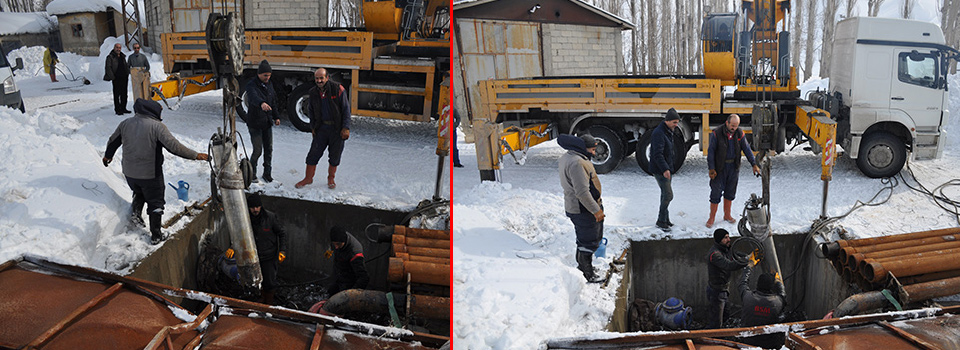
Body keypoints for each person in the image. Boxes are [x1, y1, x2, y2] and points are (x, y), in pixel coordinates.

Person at [103, 98, 209, 244]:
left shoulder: (125, 124)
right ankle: (156, 235)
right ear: (153, 111)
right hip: (150, 175)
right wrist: (195, 155)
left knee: (139, 191)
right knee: (156, 203)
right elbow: (174, 147)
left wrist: (107, 157)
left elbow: (113, 141)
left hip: (130, 173)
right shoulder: (157, 127)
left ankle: (136, 215)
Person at [558, 133, 604, 283]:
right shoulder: (577, 163)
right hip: (583, 209)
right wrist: (596, 210)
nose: (594, 153)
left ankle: (583, 268)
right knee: (588, 241)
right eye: (592, 149)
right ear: (583, 148)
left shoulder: (568, 157)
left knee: (583, 239)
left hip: (578, 207)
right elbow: (582, 192)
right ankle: (587, 274)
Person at [225, 193, 287, 304]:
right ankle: (262, 298)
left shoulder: (270, 218)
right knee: (258, 279)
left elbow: (281, 233)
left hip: (269, 256)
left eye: (257, 207)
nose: (255, 209)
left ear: (261, 206)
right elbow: (239, 235)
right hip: (254, 257)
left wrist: (282, 250)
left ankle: (269, 302)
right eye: (252, 207)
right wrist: (233, 247)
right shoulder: (246, 220)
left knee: (270, 281)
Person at [295, 68, 351, 190]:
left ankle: (331, 178)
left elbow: (346, 110)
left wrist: (345, 127)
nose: (319, 81)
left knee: (335, 156)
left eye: (321, 78)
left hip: (337, 129)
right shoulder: (313, 92)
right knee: (313, 154)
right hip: (321, 128)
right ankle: (308, 178)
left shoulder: (338, 89)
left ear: (327, 77)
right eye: (317, 78)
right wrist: (313, 127)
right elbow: (311, 110)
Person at [706, 114, 760, 228]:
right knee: (716, 192)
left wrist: (754, 164)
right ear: (727, 123)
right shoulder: (717, 133)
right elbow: (711, 151)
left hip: (733, 167)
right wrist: (711, 168)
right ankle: (712, 217)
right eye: (732, 125)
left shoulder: (739, 133)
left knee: (730, 192)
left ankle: (727, 215)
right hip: (719, 168)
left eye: (736, 126)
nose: (734, 128)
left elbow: (746, 149)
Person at [244, 60, 281, 183]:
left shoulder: (269, 84)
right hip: (255, 123)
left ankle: (267, 173)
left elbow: (274, 102)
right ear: (259, 74)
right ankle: (252, 172)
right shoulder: (251, 85)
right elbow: (253, 97)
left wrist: (276, 117)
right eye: (265, 75)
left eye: (269, 75)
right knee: (258, 150)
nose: (267, 77)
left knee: (269, 149)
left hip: (267, 122)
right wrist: (261, 103)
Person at [738, 259, 786, 348]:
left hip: (747, 341)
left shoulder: (747, 297)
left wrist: (749, 267)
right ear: (772, 287)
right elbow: (783, 295)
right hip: (769, 344)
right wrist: (778, 281)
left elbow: (742, 283)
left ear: (758, 284)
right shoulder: (777, 302)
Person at [706, 228, 748, 328]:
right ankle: (713, 337)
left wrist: (748, 256)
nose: (729, 239)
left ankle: (720, 331)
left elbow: (736, 254)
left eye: (728, 236)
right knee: (716, 322)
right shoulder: (715, 254)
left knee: (726, 314)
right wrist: (746, 262)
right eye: (725, 238)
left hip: (723, 290)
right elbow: (729, 265)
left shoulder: (725, 249)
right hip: (717, 292)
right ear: (719, 240)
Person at [650, 108, 680, 231]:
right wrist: (665, 169)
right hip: (660, 170)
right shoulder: (659, 133)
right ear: (667, 121)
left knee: (664, 195)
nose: (676, 125)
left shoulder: (667, 131)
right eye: (674, 122)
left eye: (677, 122)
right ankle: (661, 221)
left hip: (665, 168)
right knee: (668, 195)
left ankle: (665, 220)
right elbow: (657, 154)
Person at [328, 226, 369, 295]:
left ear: (344, 241)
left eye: (338, 244)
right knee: (331, 291)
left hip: (351, 279)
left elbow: (364, 278)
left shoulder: (355, 251)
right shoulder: (337, 241)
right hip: (339, 274)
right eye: (334, 244)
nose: (336, 247)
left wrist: (351, 295)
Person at [104, 43, 130, 115]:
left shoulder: (122, 56)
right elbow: (108, 68)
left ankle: (123, 108)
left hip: (124, 77)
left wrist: (128, 72)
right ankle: (118, 109)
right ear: (114, 48)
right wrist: (113, 77)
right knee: (117, 94)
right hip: (116, 78)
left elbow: (125, 65)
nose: (118, 49)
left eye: (119, 48)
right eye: (117, 47)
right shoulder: (110, 57)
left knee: (124, 94)